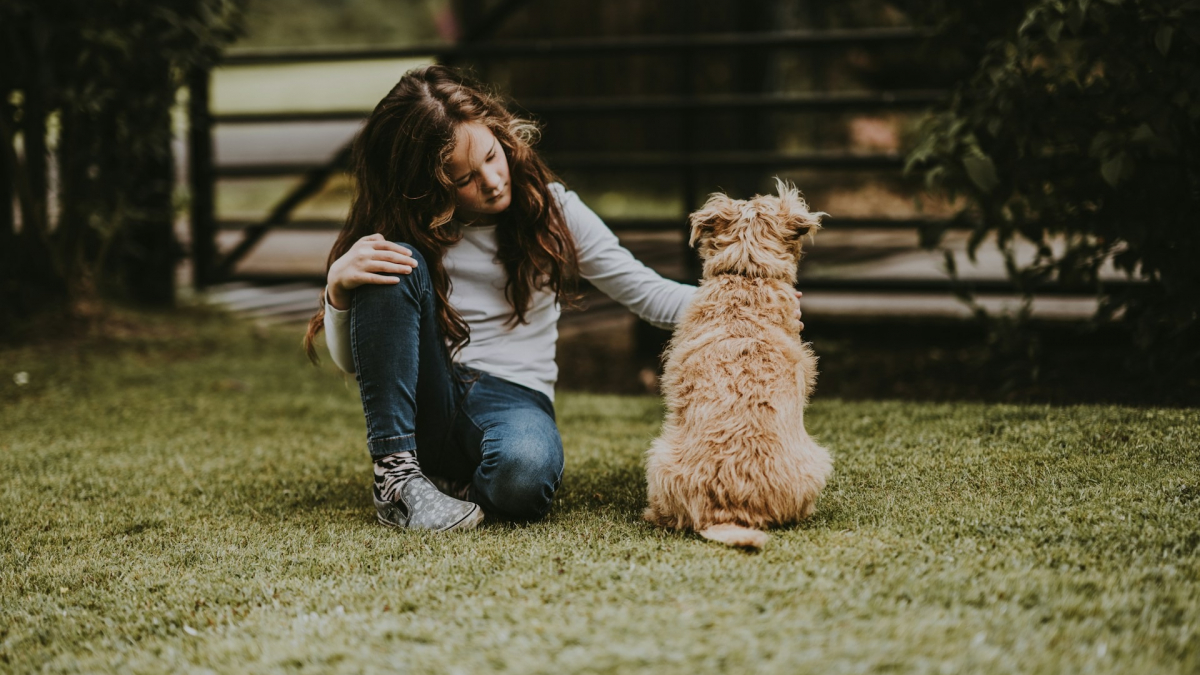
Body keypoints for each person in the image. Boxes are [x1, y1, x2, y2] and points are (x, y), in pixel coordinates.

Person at [303, 64, 803, 532]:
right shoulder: (397, 236)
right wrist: (339, 291)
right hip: (427, 395)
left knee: (525, 479)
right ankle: (397, 480)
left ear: (501, 134)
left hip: (513, 395)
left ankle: (448, 490)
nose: (493, 181)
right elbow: (357, 368)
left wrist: (749, 307)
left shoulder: (552, 209)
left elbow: (645, 292)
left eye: (491, 157)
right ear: (423, 187)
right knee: (392, 260)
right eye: (463, 179)